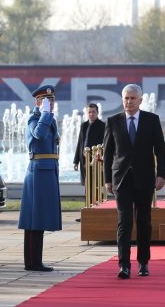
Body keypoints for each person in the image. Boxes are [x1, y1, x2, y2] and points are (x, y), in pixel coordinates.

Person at [103, 84, 165, 279]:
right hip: (121, 179)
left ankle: (143, 262)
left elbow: (161, 151)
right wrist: (107, 180)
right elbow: (107, 153)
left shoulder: (151, 120)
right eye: (126, 98)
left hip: (145, 178)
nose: (129, 102)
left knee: (144, 220)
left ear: (140, 100)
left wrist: (161, 175)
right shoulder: (113, 121)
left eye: (132, 98)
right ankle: (124, 265)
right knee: (124, 221)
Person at [17, 85, 62, 272]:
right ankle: (32, 261)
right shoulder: (34, 118)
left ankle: (36, 260)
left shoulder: (49, 119)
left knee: (41, 218)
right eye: (46, 100)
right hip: (38, 172)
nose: (50, 103)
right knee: (34, 219)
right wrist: (44, 114)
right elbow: (38, 135)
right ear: (38, 102)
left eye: (51, 100)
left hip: (48, 170)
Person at [73, 103, 106, 185]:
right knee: (87, 185)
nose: (91, 114)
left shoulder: (103, 126)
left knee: (96, 185)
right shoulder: (83, 125)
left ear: (97, 112)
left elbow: (105, 144)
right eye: (89, 112)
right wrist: (76, 161)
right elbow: (79, 144)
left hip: (96, 160)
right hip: (84, 160)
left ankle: (97, 198)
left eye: (93, 112)